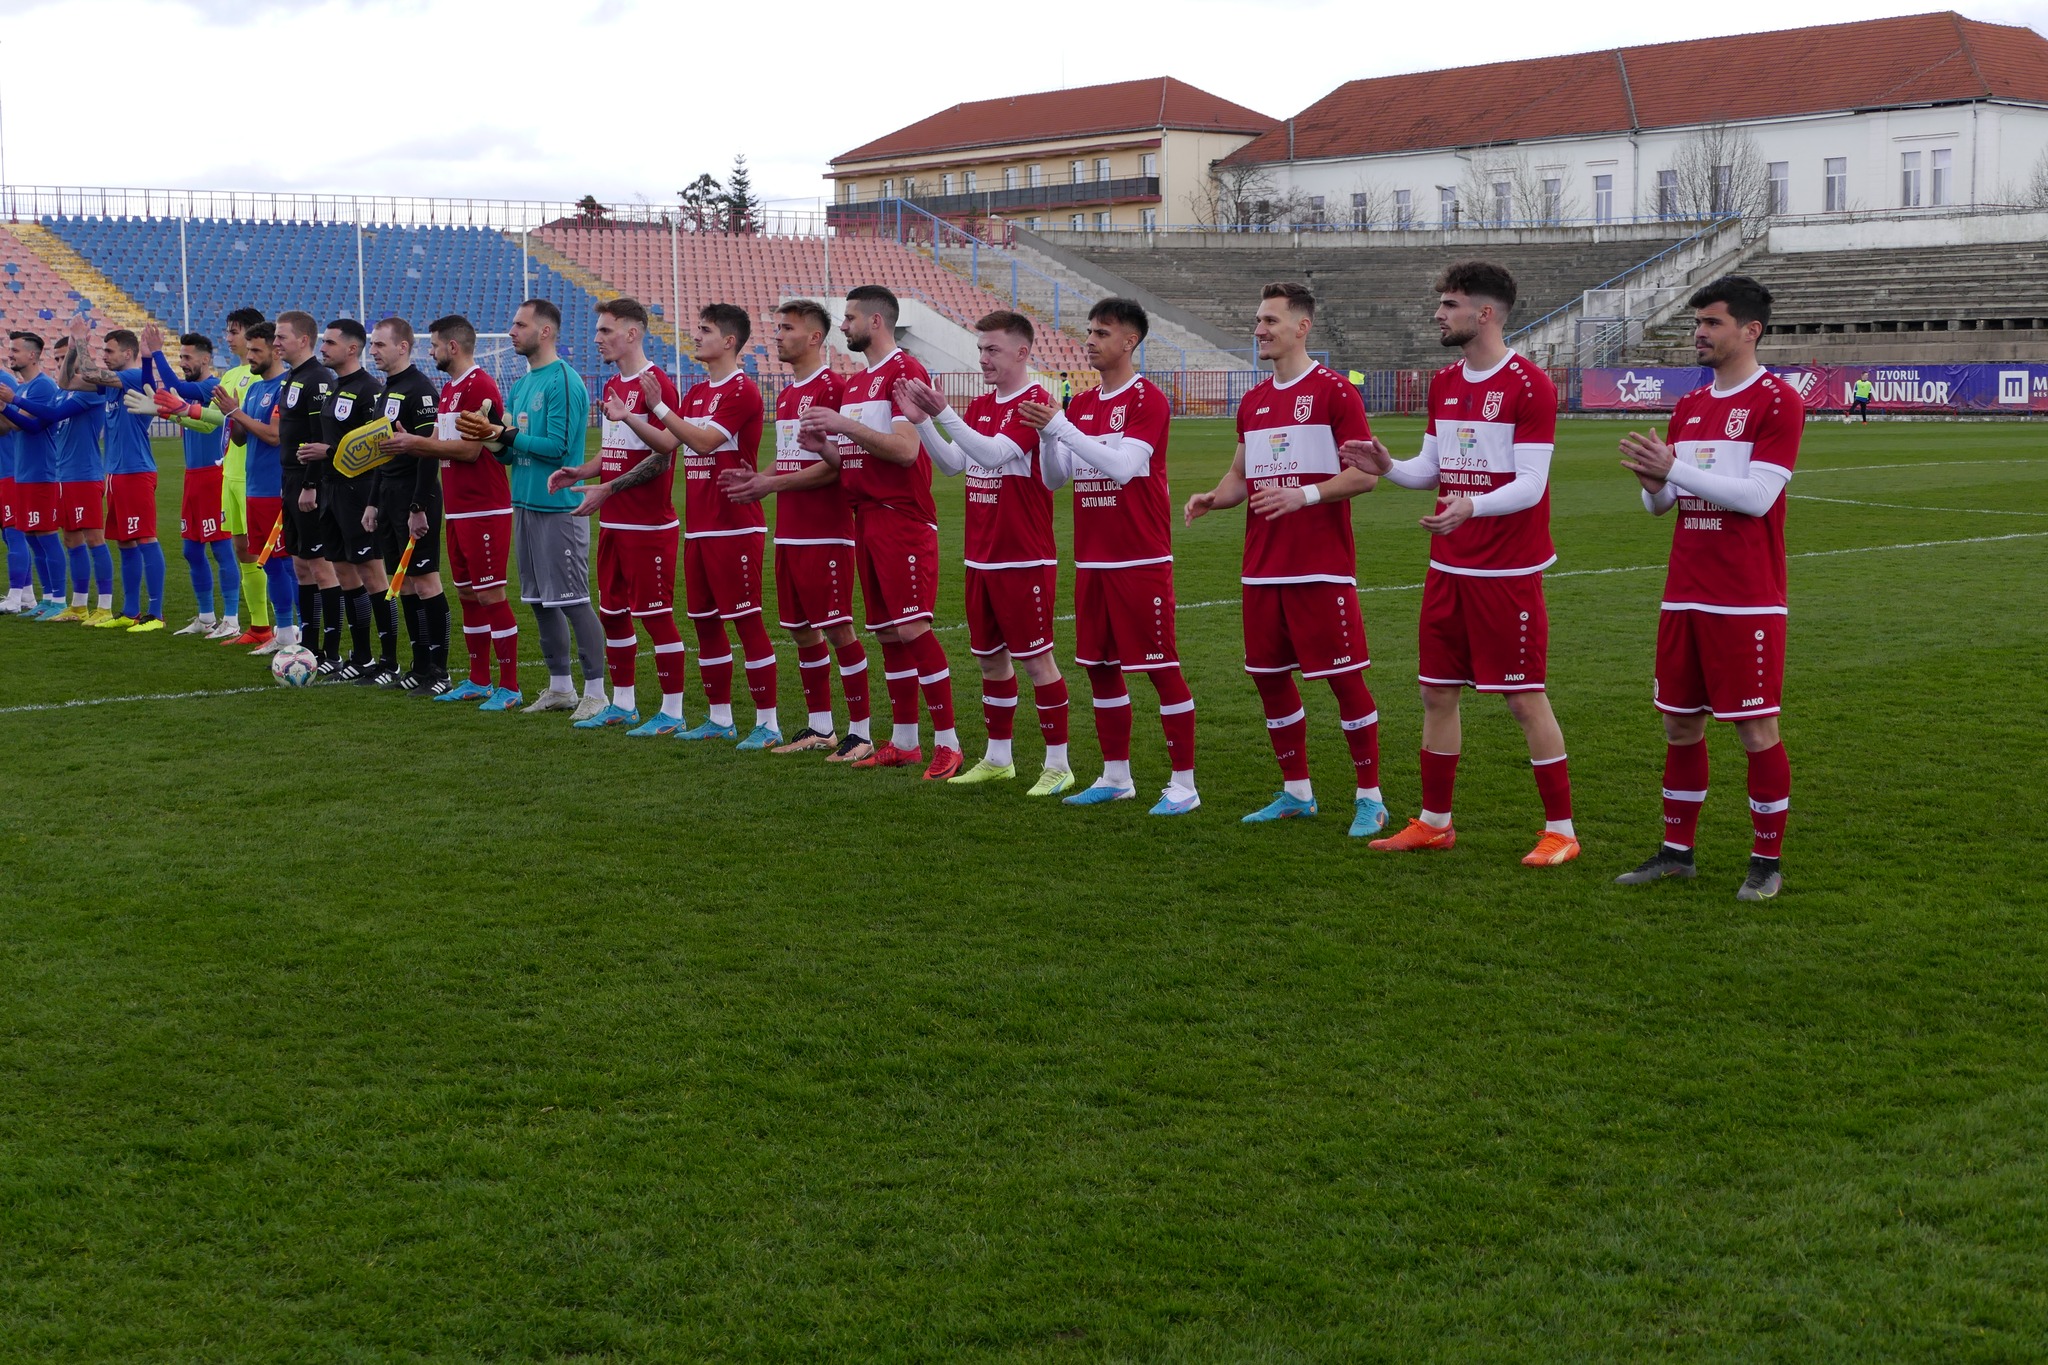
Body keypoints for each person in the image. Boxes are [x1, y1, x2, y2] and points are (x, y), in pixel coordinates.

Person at [1343, 261, 1577, 864]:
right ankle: (1434, 821)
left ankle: (1562, 832)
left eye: (1449, 305)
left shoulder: (1531, 385)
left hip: (1508, 572)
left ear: (1485, 313)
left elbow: (1531, 484)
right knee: (1436, 695)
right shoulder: (1445, 382)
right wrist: (1387, 466)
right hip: (1449, 568)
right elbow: (1431, 471)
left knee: (1525, 699)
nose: (1438, 315)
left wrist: (1471, 507)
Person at [1616, 274, 1800, 902]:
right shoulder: (1691, 405)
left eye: (1713, 322)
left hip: (1745, 595)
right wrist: (1651, 478)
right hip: (1684, 591)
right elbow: (1662, 505)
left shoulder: (1778, 401)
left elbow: (1756, 497)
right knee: (1678, 726)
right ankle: (1676, 853)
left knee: (1755, 730)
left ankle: (1765, 862)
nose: (1700, 332)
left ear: (1749, 330)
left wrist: (1676, 468)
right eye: (1699, 322)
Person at [1185, 283, 1383, 831]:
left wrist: (1305, 494)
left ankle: (1370, 795)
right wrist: (1215, 497)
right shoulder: (1253, 401)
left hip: (1320, 565)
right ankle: (1297, 791)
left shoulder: (1336, 393)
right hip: (1261, 567)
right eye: (1257, 320)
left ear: (1302, 327)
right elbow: (1240, 473)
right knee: (1269, 678)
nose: (1259, 330)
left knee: (1344, 681)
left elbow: (1366, 475)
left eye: (1270, 320)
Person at [1020, 298, 1199, 815]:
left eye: (1102, 333)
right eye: (1090, 332)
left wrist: (1062, 428)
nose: (1091, 341)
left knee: (1162, 668)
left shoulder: (1148, 399)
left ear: (1130, 342)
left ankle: (1184, 786)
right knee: (1099, 668)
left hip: (1138, 559)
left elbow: (1122, 468)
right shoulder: (1083, 405)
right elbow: (1057, 478)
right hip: (1092, 560)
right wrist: (1049, 434)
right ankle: (1116, 777)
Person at [898, 311, 1074, 794]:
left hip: (1023, 555)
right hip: (981, 555)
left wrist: (941, 413)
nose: (983, 359)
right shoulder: (979, 404)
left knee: (1038, 662)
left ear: (1022, 352)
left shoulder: (1036, 401)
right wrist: (925, 425)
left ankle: (1058, 765)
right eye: (980, 350)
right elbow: (957, 464)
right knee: (990, 660)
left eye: (992, 350)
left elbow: (996, 455)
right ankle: (999, 758)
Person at [797, 284, 962, 778]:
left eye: (849, 318)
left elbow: (907, 450)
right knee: (889, 633)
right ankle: (905, 742)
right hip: (865, 515)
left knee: (912, 626)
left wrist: (842, 429)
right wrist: (825, 445)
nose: (842, 326)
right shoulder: (855, 384)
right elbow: (855, 460)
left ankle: (949, 743)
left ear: (876, 321)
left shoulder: (904, 370)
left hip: (902, 516)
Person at [717, 300, 873, 760]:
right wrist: (760, 478)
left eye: (787, 328)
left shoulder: (835, 388)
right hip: (790, 531)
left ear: (814, 338)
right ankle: (820, 727)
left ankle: (860, 733)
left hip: (826, 531)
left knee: (839, 630)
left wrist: (770, 483)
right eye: (777, 327)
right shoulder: (787, 395)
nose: (777, 336)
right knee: (802, 631)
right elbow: (791, 458)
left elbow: (838, 468)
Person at [615, 303, 777, 745]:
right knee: (705, 622)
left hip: (735, 526)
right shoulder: (699, 393)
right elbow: (669, 443)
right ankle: (720, 720)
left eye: (704, 331)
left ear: (729, 341)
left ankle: (768, 724)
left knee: (746, 622)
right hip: (701, 527)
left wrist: (659, 407)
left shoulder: (742, 390)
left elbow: (704, 444)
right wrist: (633, 416)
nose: (695, 337)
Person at [456, 298, 606, 719]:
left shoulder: (563, 380)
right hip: (522, 503)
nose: (510, 332)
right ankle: (561, 687)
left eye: (519, 324)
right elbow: (512, 455)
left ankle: (596, 691)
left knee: (573, 600)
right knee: (539, 602)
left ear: (545, 331)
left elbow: (557, 448)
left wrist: (502, 432)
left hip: (559, 509)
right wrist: (492, 441)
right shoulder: (522, 384)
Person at [545, 297, 687, 731]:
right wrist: (582, 471)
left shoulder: (655, 382)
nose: (597, 338)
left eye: (606, 330)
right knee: (613, 613)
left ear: (632, 333)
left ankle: (672, 714)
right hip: (614, 522)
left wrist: (607, 487)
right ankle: (623, 705)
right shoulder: (611, 387)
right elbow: (616, 453)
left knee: (656, 616)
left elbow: (664, 455)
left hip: (648, 525)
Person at [296, 318, 400, 682]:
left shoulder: (370, 389)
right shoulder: (335, 388)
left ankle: (389, 660)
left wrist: (330, 451)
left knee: (373, 574)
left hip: (359, 493)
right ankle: (361, 657)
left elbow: (378, 445)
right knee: (342, 571)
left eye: (329, 343)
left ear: (351, 349)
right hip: (331, 492)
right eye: (322, 342)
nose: (322, 348)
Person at [138, 330, 242, 636]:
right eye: (179, 357)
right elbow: (187, 412)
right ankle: (206, 616)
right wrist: (165, 411)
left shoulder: (212, 386)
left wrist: (157, 352)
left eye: (187, 357)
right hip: (192, 478)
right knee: (191, 550)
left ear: (206, 359)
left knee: (221, 550)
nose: (182, 362)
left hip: (213, 477)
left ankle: (232, 620)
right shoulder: (196, 392)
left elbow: (176, 387)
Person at [362, 317, 447, 690]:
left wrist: (418, 507)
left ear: (403, 347)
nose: (373, 351)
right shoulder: (387, 391)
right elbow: (384, 454)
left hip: (416, 498)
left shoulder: (421, 390)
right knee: (406, 585)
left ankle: (439, 672)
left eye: (380, 345)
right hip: (390, 498)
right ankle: (419, 666)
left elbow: (429, 455)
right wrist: (372, 503)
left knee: (426, 583)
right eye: (372, 344)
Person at [15, 327, 116, 623]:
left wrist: (14, 401)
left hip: (84, 474)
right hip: (63, 475)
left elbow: (53, 416)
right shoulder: (63, 392)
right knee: (71, 540)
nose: (61, 365)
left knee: (95, 539)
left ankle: (105, 606)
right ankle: (78, 605)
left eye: (65, 358)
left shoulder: (90, 393)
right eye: (58, 360)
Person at [208, 323, 299, 650]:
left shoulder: (284, 387)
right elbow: (243, 437)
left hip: (277, 488)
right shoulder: (255, 388)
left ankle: (301, 631)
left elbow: (275, 436)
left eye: (256, 351)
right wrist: (232, 415)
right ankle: (283, 632)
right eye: (248, 352)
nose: (250, 358)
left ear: (276, 351)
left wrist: (236, 414)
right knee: (268, 562)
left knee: (288, 562)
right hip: (254, 489)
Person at [270, 311, 337, 664]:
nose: (275, 342)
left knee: (321, 567)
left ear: (303, 340)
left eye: (281, 337)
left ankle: (332, 649)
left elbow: (319, 438)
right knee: (300, 565)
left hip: (308, 482)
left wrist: (310, 484)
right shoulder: (291, 378)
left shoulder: (318, 379)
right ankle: (309, 643)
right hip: (289, 479)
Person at [216, 307, 273, 645]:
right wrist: (180, 412)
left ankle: (283, 626)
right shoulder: (230, 375)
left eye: (234, 331)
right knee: (242, 549)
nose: (228, 337)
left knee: (269, 555)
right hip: (230, 472)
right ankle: (259, 627)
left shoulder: (260, 376)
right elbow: (219, 419)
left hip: (253, 475)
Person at [0, 331, 66, 617]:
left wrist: (7, 404)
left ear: (33, 355)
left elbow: (33, 425)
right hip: (25, 474)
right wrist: (9, 406)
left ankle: (59, 600)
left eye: (15, 350)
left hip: (42, 473)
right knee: (33, 538)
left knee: (48, 537)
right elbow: (17, 424)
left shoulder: (42, 386)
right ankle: (45, 599)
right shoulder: (25, 388)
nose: (10, 354)